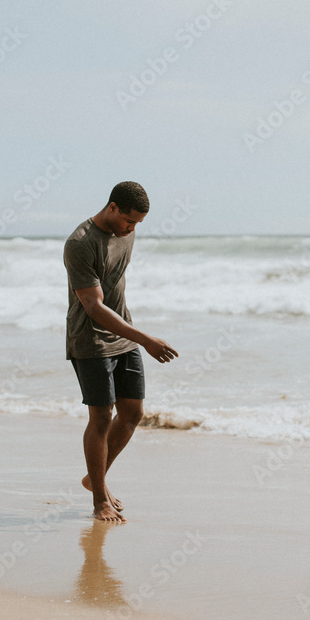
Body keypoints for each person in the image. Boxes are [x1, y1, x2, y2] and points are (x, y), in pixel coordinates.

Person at [63, 181, 178, 522]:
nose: (132, 229)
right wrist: (145, 339)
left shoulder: (126, 232)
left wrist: (134, 337)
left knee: (132, 413)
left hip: (122, 334)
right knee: (101, 417)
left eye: (138, 224)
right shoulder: (80, 244)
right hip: (91, 339)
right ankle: (99, 499)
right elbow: (94, 307)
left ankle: (93, 478)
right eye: (130, 221)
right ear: (112, 207)